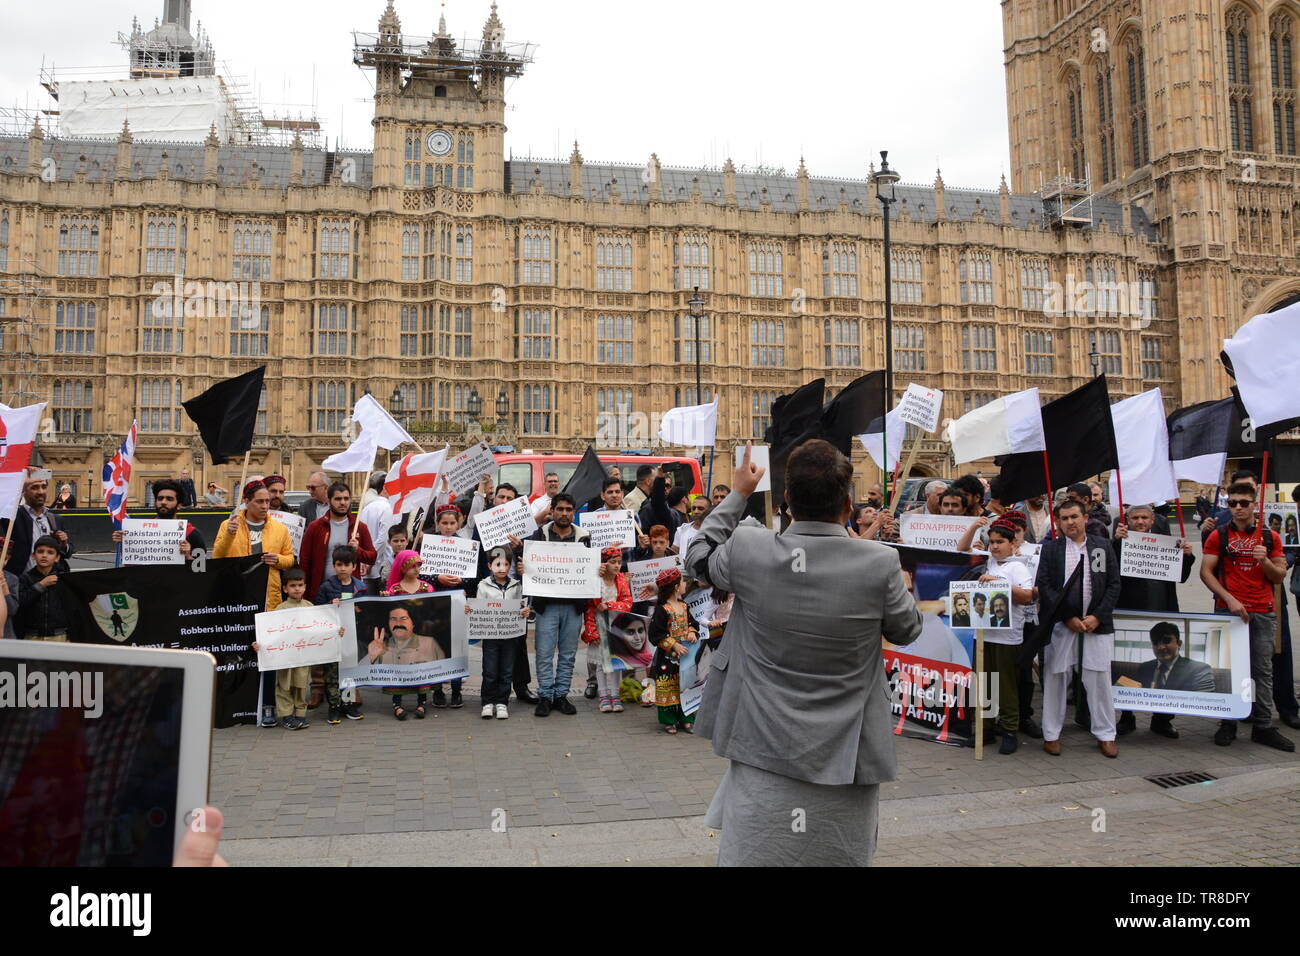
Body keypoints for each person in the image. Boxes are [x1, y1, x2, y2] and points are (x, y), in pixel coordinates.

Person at [686, 440, 922, 866]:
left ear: (788, 501)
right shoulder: (879, 563)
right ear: (849, 505)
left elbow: (698, 557)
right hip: (845, 753)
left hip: (762, 743)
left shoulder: (750, 548)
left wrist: (739, 493)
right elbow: (906, 630)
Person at [1200, 482, 1292, 751]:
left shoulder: (1269, 537)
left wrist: (1264, 560)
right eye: (1233, 503)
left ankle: (1263, 726)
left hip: (1262, 611)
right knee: (1227, 670)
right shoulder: (1219, 535)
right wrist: (1228, 598)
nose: (1238, 508)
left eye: (1243, 503)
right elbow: (1206, 573)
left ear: (1254, 505)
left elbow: (1278, 577)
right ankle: (1228, 722)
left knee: (1263, 670)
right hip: (1228, 612)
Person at [1031, 498, 1121, 758]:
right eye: (1064, 518)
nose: (1070, 522)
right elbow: (1045, 587)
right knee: (1056, 677)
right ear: (1058, 522)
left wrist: (1097, 616)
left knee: (1099, 679)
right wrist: (1068, 616)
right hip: (1062, 624)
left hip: (1096, 625)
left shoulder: (1102, 547)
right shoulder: (1051, 550)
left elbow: (1114, 584)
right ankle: (1051, 734)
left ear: (1085, 518)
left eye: (1074, 517)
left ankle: (1105, 734)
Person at [214, 480, 296, 727]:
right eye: (259, 501)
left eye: (267, 501)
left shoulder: (279, 529)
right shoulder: (228, 525)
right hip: (238, 600)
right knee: (238, 653)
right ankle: (235, 704)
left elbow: (290, 559)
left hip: (269, 600)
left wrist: (278, 560)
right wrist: (228, 535)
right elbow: (218, 557)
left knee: (268, 655)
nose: (264, 506)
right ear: (246, 501)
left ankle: (269, 706)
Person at [522, 491, 591, 717]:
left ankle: (561, 695)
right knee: (543, 652)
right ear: (552, 511)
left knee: (568, 653)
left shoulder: (584, 537)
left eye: (568, 510)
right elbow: (529, 565)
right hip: (546, 605)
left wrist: (597, 570)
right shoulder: (539, 535)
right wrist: (524, 568)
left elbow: (589, 570)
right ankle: (545, 695)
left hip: (573, 606)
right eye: (559, 509)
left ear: (574, 512)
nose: (564, 513)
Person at [978, 519, 1036, 754]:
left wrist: (998, 583)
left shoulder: (1017, 567)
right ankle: (986, 729)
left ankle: (1010, 729)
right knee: (985, 684)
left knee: (1006, 687)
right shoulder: (990, 564)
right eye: (991, 542)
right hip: (984, 634)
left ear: (1012, 543)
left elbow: (1026, 596)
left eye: (999, 542)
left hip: (1007, 637)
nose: (994, 546)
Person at [479, 482, 538, 705]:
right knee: (492, 646)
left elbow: (535, 559)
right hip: (491, 593)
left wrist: (521, 547)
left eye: (509, 498)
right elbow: (475, 555)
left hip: (516, 592)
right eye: (500, 497)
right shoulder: (484, 524)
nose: (504, 501)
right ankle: (491, 692)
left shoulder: (527, 527)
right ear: (493, 500)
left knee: (519, 643)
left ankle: (521, 687)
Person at [314, 544, 369, 724]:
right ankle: (334, 707)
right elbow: (317, 611)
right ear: (334, 565)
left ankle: (348, 704)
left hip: (352, 639)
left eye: (347, 565)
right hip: (333, 638)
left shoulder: (361, 588)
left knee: (350, 672)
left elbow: (368, 612)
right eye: (339, 564)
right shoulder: (327, 587)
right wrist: (330, 605)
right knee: (331, 674)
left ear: (354, 566)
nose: (343, 568)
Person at [379, 550, 436, 719]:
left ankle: (421, 702)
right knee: (399, 668)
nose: (417, 569)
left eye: (419, 565)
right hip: (399, 639)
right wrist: (384, 599)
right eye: (412, 566)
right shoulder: (394, 589)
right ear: (403, 568)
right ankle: (397, 704)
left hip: (420, 638)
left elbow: (433, 608)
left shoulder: (427, 587)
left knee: (421, 666)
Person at [474, 547, 529, 720]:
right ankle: (487, 702)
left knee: (506, 670)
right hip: (491, 637)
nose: (502, 568)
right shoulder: (483, 585)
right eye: (497, 564)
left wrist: (524, 611)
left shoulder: (516, 585)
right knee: (490, 670)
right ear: (490, 565)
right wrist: (471, 609)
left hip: (511, 636)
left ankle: (502, 702)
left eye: (506, 564)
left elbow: (521, 605)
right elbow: (479, 608)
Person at [256, 568, 314, 730]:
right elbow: (271, 633)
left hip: (303, 657)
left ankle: (300, 715)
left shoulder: (311, 607)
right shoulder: (279, 609)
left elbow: (319, 630)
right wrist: (260, 644)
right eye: (293, 585)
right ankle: (287, 716)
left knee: (301, 686)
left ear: (305, 586)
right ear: (285, 588)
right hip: (285, 659)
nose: (297, 588)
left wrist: (336, 632)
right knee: (284, 686)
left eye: (300, 585)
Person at [300, 481, 377, 601]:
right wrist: (304, 592)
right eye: (338, 499)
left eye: (346, 499)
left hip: (350, 592)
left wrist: (358, 550)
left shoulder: (359, 527)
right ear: (329, 500)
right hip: (322, 592)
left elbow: (372, 557)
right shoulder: (315, 527)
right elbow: (304, 561)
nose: (342, 502)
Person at [582, 546, 634, 713]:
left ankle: (615, 695)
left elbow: (627, 602)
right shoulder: (596, 581)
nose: (617, 566)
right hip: (599, 626)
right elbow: (589, 608)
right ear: (604, 563)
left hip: (617, 627)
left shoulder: (621, 580)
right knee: (600, 664)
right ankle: (604, 696)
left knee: (616, 662)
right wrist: (591, 632)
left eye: (619, 562)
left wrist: (610, 605)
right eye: (613, 562)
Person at [648, 568, 700, 734]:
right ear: (676, 587)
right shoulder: (662, 609)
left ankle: (687, 718)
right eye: (683, 581)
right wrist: (673, 645)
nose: (685, 584)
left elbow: (693, 622)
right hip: (668, 658)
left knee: (686, 685)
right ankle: (669, 720)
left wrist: (692, 631)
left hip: (686, 657)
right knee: (668, 686)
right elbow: (655, 634)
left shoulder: (684, 606)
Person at [111, 479, 206, 559]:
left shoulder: (193, 534)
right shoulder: (139, 532)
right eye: (160, 498)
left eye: (169, 499)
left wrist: (188, 556)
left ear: (179, 506)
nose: (163, 502)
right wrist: (124, 543)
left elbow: (202, 568)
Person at [4, 471, 74, 577]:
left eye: (44, 487)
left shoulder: (55, 519)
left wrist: (64, 544)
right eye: (34, 487)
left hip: (52, 582)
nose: (40, 491)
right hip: (22, 584)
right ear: (23, 491)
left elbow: (68, 552)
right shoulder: (13, 517)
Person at [14, 536, 72, 641]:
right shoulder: (25, 578)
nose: (44, 555)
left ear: (57, 558)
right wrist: (41, 585)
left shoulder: (63, 578)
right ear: (33, 556)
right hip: (31, 635)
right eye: (40, 551)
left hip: (59, 635)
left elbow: (72, 607)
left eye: (50, 552)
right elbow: (20, 603)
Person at [1133, 621, 1215, 694]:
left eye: (1166, 641)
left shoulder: (1199, 670)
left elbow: (1204, 704)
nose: (1161, 647)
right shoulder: (1144, 668)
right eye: (1155, 642)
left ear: (1179, 644)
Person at [370, 522, 408, 597]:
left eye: (402, 541)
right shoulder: (386, 564)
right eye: (396, 541)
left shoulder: (414, 559)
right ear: (389, 542)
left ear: (407, 541)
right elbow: (385, 584)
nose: (399, 544)